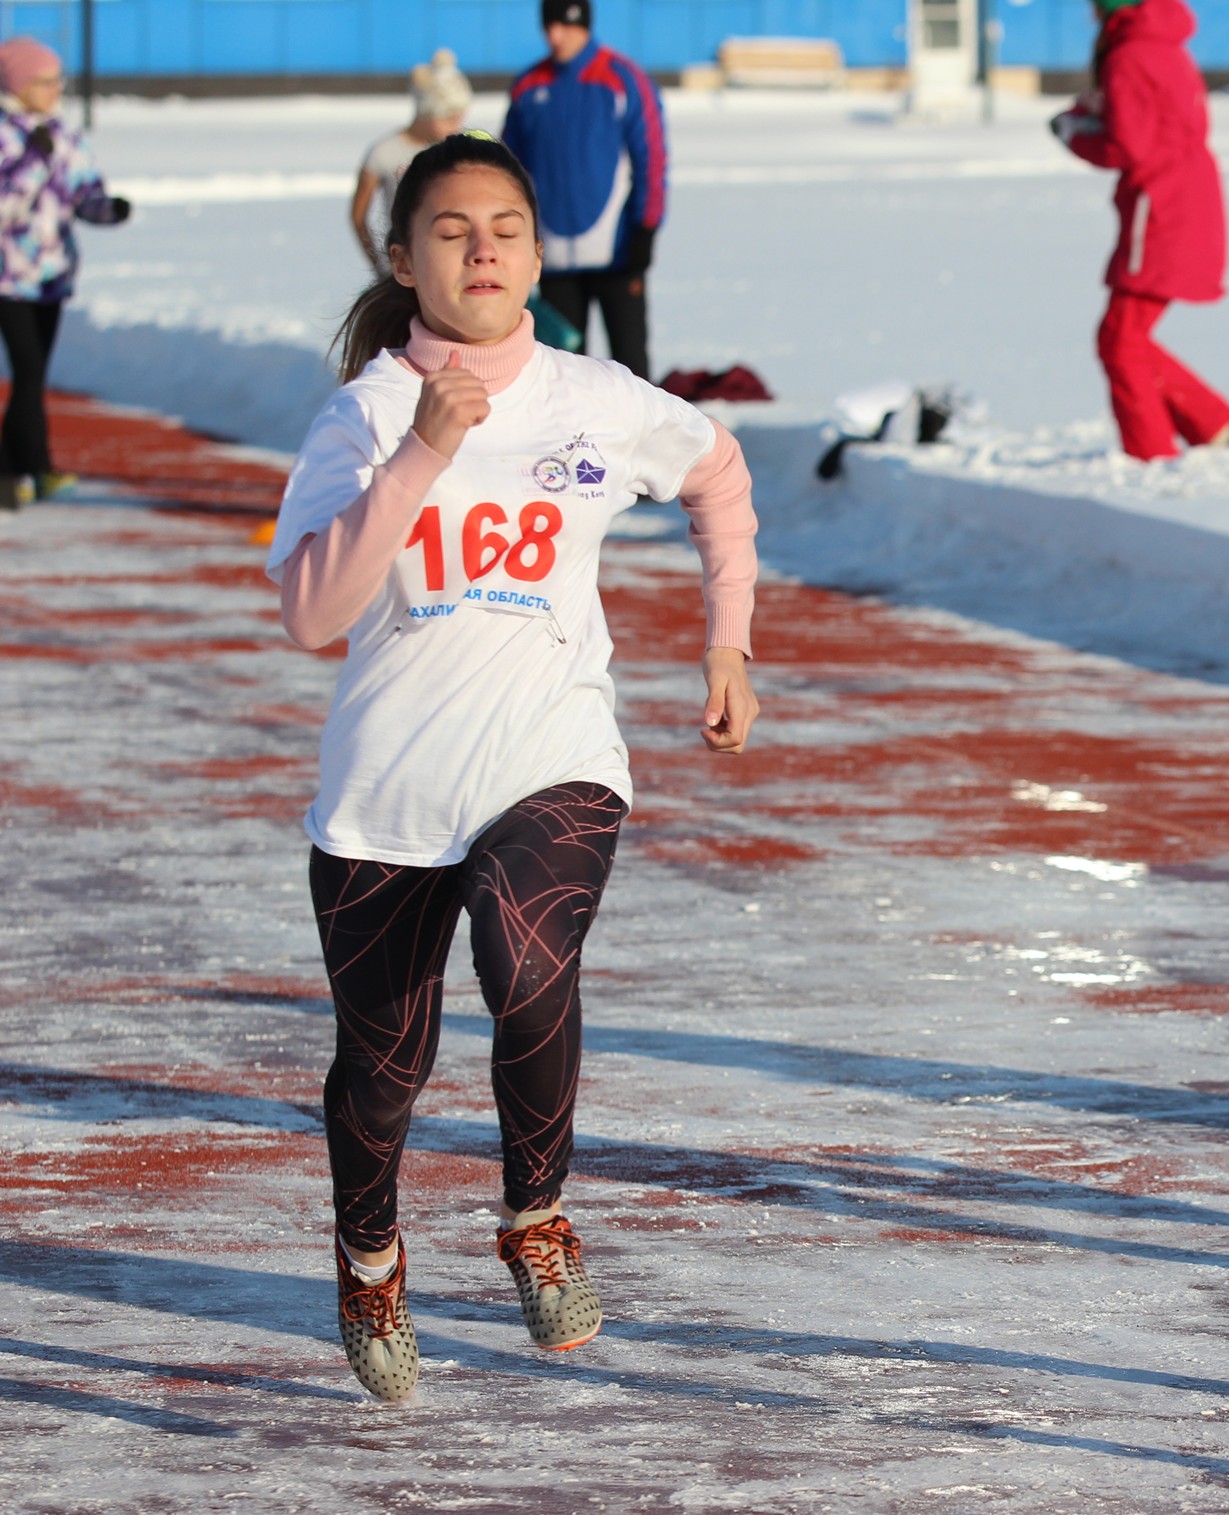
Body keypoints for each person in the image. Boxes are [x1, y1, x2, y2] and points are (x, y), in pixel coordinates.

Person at [268, 132, 759, 1401]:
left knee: (529, 959)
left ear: (539, 254)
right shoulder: (365, 418)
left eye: (504, 227)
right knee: (381, 1072)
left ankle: (535, 1218)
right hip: (386, 797)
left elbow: (716, 471)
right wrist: (425, 448)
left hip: (553, 756)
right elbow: (314, 615)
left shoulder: (596, 399)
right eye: (450, 229)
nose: (481, 249)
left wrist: (728, 642)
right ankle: (370, 1252)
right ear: (403, 257)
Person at [1051, 0, 1229, 461]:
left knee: (1120, 340)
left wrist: (1074, 133)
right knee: (1125, 336)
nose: (1089, 15)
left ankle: (1151, 455)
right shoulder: (1161, 45)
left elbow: (1128, 145)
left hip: (1162, 206)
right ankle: (1215, 423)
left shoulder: (1129, 54)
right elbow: (1156, 124)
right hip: (1182, 196)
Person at [503, 0, 666, 379]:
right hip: (554, 258)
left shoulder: (623, 78)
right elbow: (510, 173)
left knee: (632, 367)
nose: (556, 36)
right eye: (549, 26)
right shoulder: (529, 86)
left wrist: (645, 231)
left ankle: (640, 439)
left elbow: (652, 160)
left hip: (619, 253)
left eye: (566, 26)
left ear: (584, 26)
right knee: (562, 371)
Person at [0, 36, 127, 509]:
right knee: (28, 369)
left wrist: (107, 210)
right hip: (7, 277)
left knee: (34, 372)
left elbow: (83, 191)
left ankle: (13, 469)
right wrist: (33, 161)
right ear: (20, 84)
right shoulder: (9, 136)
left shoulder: (63, 134)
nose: (56, 90)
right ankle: (34, 467)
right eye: (46, 81)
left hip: (51, 276)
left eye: (59, 81)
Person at [350, 50, 471, 275]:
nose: (456, 126)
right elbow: (358, 215)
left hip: (450, 270)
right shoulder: (384, 153)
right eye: (448, 118)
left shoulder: (461, 149)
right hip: (403, 272)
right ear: (425, 111)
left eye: (460, 117)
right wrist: (380, 264)